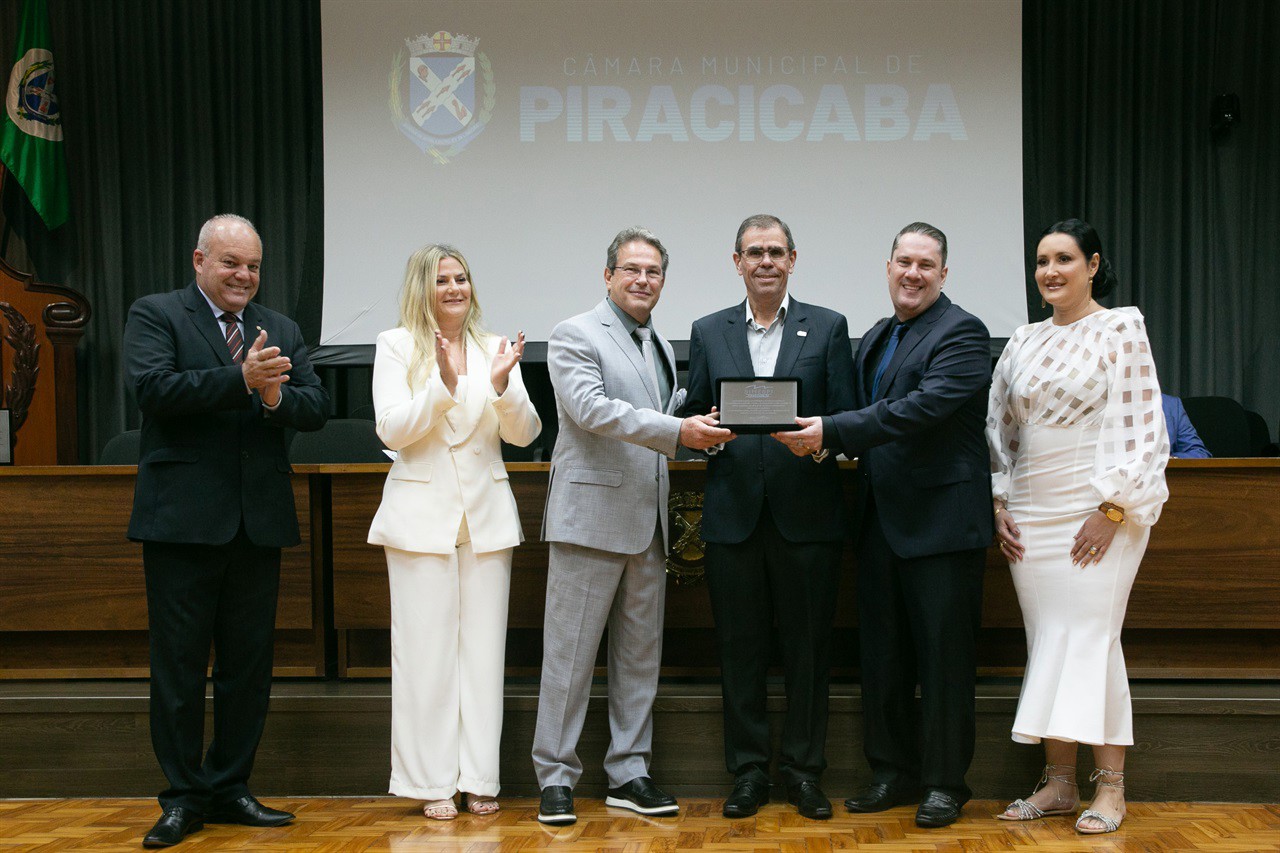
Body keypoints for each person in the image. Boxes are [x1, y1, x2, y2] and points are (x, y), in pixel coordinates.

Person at [777, 222, 993, 829]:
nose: (913, 273)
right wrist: (821, 441)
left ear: (943, 274)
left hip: (942, 528)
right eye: (904, 261)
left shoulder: (964, 333)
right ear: (889, 265)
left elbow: (919, 410)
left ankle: (946, 783)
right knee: (884, 659)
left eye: (926, 265)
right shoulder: (876, 336)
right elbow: (854, 417)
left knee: (944, 662)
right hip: (879, 526)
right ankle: (893, 773)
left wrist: (831, 432)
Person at [123, 214, 330, 848]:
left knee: (247, 668)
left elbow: (316, 407)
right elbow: (153, 390)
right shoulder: (157, 314)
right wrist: (241, 381)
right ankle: (182, 798)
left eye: (254, 267)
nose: (244, 276)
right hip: (182, 524)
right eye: (231, 264)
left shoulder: (282, 328)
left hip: (257, 523)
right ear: (199, 261)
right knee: (180, 668)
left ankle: (230, 786)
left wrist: (273, 400)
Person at [532, 227, 733, 825]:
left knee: (640, 657)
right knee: (568, 658)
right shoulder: (574, 334)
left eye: (654, 272)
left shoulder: (660, 346)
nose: (643, 280)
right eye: (632, 270)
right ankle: (556, 778)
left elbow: (659, 417)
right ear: (608, 276)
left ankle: (629, 771)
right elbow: (591, 411)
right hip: (589, 521)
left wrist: (696, 423)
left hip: (648, 524)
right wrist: (678, 432)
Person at [988, 218, 1170, 835]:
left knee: (1091, 638)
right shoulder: (1021, 339)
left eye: (1064, 258)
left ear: (1093, 265)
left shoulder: (1122, 326)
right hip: (1031, 511)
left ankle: (1111, 788)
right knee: (1049, 642)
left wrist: (1113, 507)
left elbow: (1146, 427)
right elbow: (1000, 431)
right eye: (1042, 260)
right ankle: (1059, 784)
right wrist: (999, 501)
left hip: (1100, 510)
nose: (1050, 271)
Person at [684, 214, 855, 820]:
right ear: (737, 262)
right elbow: (693, 424)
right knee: (740, 650)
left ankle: (805, 772)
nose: (765, 262)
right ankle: (750, 772)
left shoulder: (829, 328)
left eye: (775, 252)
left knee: (809, 651)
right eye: (753, 252)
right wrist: (703, 433)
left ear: (792, 259)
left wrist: (824, 441)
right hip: (733, 517)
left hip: (807, 517)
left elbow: (847, 422)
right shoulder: (708, 330)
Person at [367, 245, 541, 820]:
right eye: (442, 280)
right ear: (423, 287)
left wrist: (500, 386)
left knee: (483, 654)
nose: (454, 288)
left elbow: (525, 433)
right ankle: (432, 781)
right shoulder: (396, 346)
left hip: (487, 519)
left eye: (462, 278)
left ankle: (479, 777)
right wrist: (441, 385)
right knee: (425, 655)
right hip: (419, 521)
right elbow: (392, 428)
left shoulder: (495, 349)